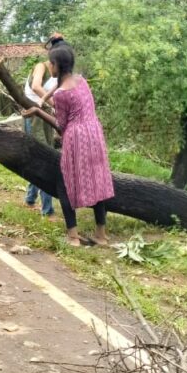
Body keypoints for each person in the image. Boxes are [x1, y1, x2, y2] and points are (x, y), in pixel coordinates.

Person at [22, 44, 114, 247]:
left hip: (77, 138)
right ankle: (101, 235)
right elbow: (60, 85)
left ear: (55, 66)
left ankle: (73, 236)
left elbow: (61, 126)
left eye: (51, 63)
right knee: (97, 180)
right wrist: (45, 97)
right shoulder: (82, 81)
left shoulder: (61, 95)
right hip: (95, 133)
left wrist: (38, 111)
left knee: (66, 184)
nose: (49, 66)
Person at [22, 34, 64, 218]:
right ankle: (47, 210)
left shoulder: (61, 73)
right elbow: (36, 86)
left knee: (40, 156)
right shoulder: (41, 66)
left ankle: (30, 198)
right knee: (43, 160)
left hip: (46, 115)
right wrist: (53, 103)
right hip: (34, 116)